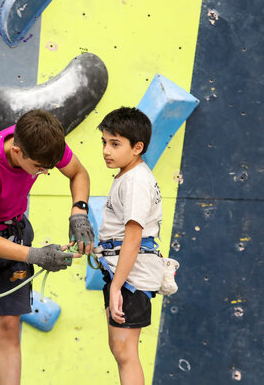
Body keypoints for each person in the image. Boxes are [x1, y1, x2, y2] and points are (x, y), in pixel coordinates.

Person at [0, 109, 95, 385]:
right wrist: (36, 255)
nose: (45, 172)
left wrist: (79, 212)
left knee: (8, 326)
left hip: (13, 231)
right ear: (17, 152)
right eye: (39, 167)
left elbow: (78, 173)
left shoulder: (42, 140)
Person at [95, 107, 164, 385]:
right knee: (120, 348)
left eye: (115, 144)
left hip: (131, 276)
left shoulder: (136, 180)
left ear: (138, 147)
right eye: (104, 142)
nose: (106, 151)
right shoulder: (128, 175)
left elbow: (133, 237)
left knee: (125, 351)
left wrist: (115, 287)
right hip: (123, 271)